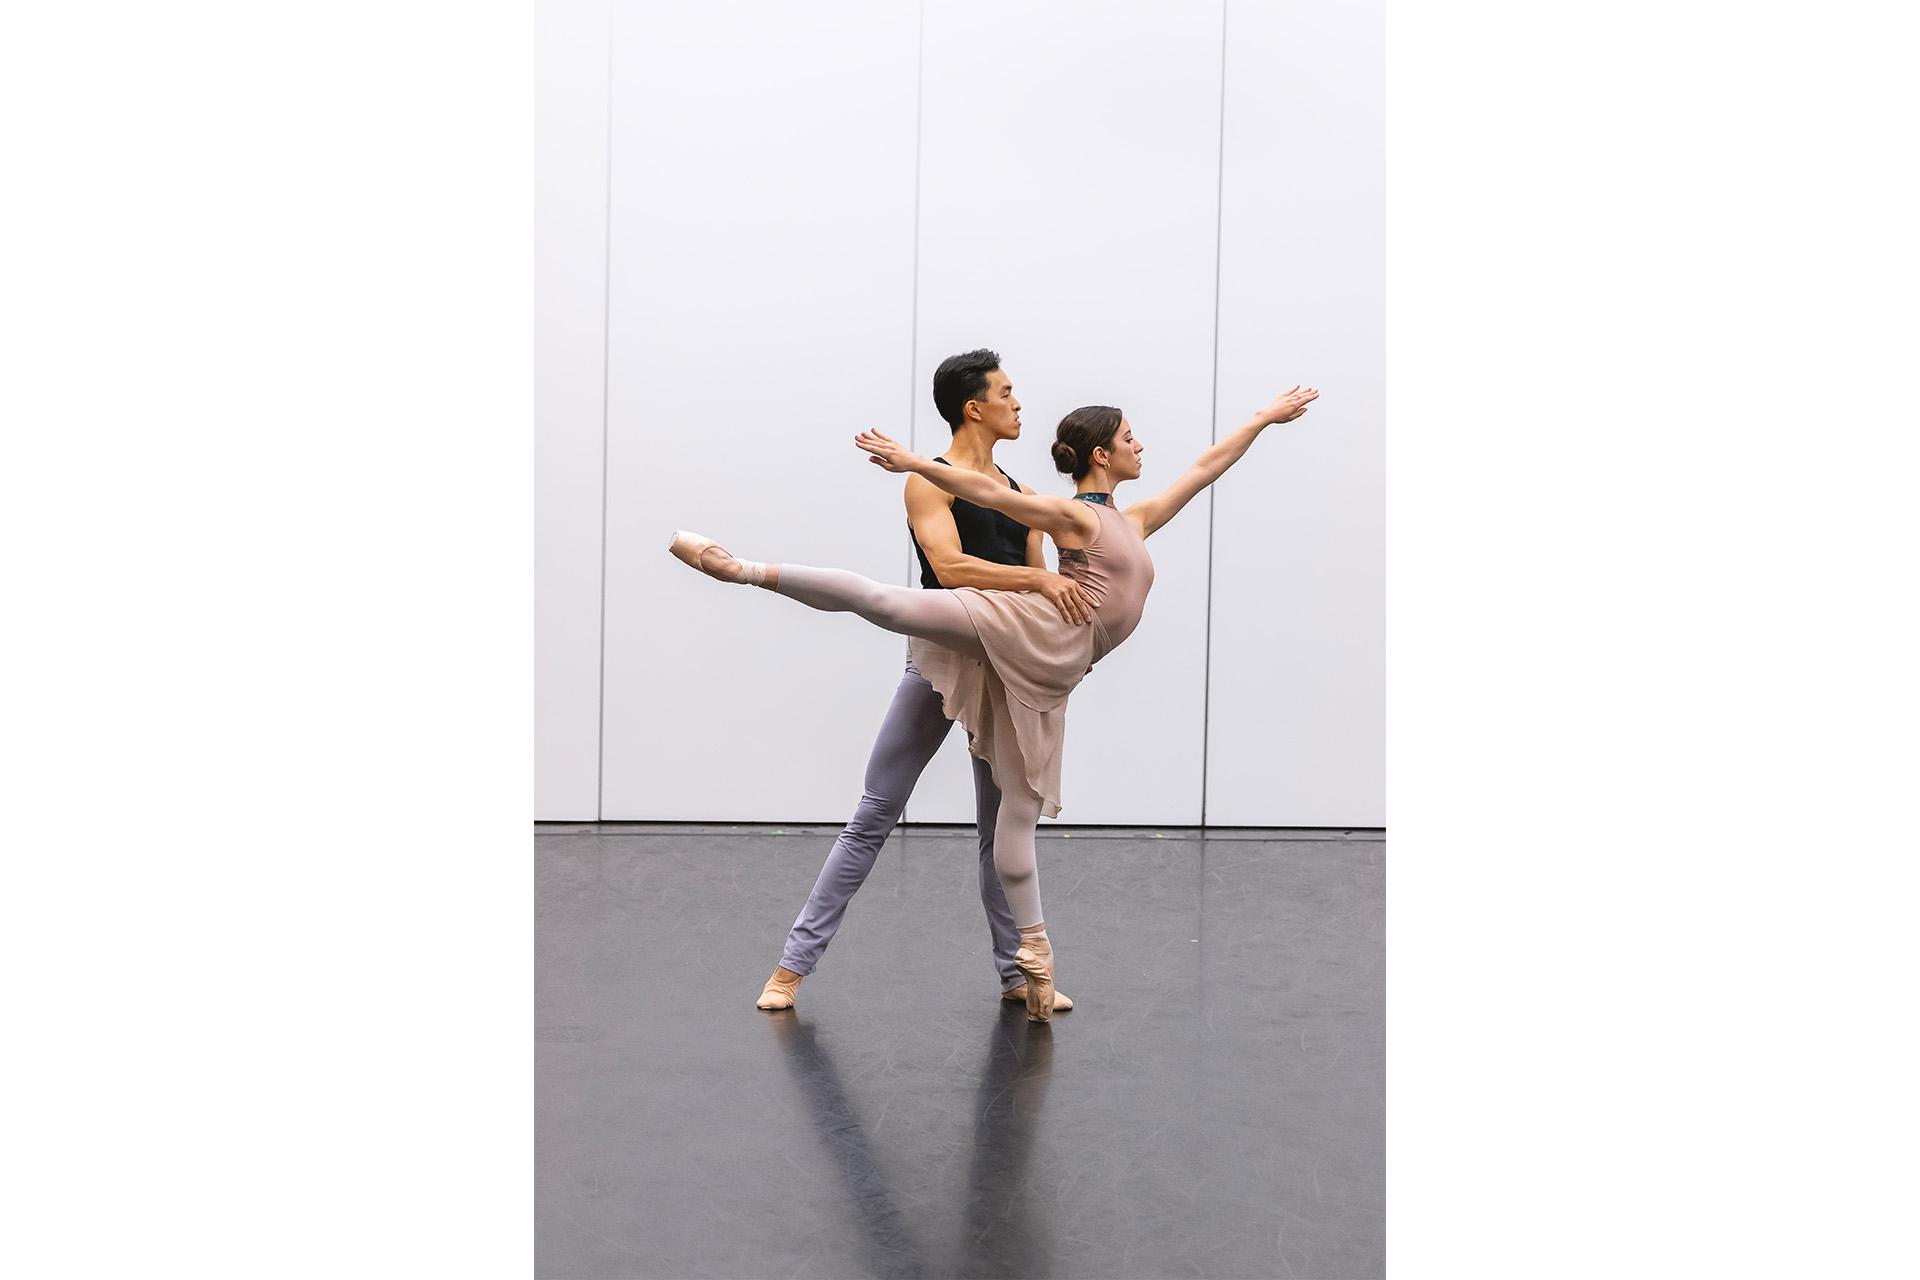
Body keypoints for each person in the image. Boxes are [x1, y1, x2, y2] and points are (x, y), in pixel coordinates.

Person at [670, 384, 1321, 1020]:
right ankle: (742, 569)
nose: (1140, 445)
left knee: (1015, 817)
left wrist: (1264, 417)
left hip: (1045, 672)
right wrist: (916, 463)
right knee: (892, 611)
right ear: (1101, 455)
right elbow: (985, 492)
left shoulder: (1135, 519)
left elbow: (1205, 468)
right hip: (1030, 632)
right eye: (1129, 437)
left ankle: (1029, 958)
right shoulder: (1078, 517)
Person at [750, 350, 1096, 1014]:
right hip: (942, 653)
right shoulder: (928, 480)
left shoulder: (1018, 493)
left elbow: (1046, 586)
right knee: (877, 810)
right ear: (976, 408)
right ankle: (792, 966)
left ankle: (1017, 972)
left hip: (1007, 662)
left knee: (1001, 829)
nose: (1019, 403)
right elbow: (949, 564)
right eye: (1008, 392)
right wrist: (1038, 578)